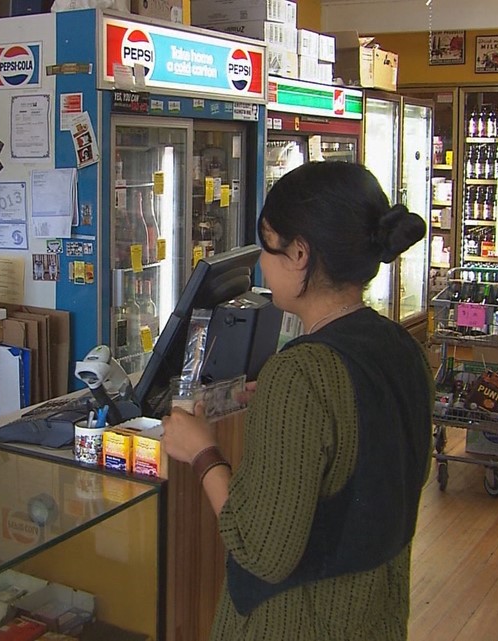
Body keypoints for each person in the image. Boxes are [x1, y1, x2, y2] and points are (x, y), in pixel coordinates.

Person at [161, 161, 433, 639]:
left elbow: (261, 549)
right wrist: (287, 409)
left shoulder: (301, 374)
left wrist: (201, 450)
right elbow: (375, 462)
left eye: (268, 246)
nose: (261, 265)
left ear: (301, 253)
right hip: (375, 614)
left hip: (300, 621)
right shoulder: (401, 347)